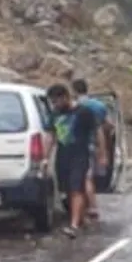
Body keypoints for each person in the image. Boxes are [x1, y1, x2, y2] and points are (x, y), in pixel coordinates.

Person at [45, 83, 106, 237]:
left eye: (56, 101)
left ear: (66, 97)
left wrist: (102, 154)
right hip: (63, 156)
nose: (55, 104)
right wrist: (45, 157)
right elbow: (51, 136)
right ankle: (82, 216)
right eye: (52, 102)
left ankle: (74, 225)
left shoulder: (84, 112)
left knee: (76, 188)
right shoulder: (55, 114)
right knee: (66, 190)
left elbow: (98, 132)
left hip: (80, 155)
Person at [72, 78, 114, 222]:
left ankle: (92, 207)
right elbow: (109, 125)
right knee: (91, 176)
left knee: (86, 177)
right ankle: (88, 207)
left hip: (83, 146)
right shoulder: (99, 105)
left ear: (74, 91)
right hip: (97, 145)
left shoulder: (76, 107)